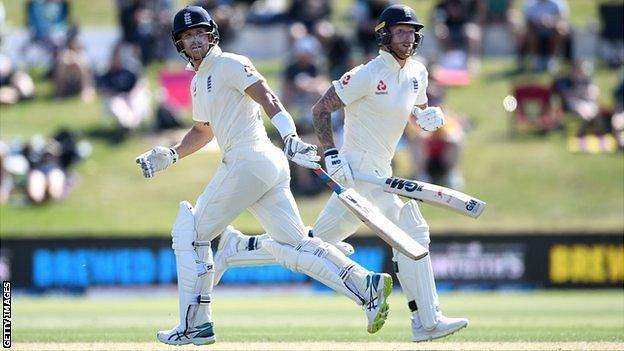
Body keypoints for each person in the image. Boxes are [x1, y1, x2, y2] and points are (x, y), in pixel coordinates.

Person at [135, 6, 393, 346]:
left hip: (249, 159)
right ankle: (365, 286)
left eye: (199, 32)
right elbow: (202, 131)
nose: (194, 40)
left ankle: (194, 325)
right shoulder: (198, 83)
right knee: (295, 245)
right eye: (187, 36)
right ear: (179, 44)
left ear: (211, 33)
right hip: (260, 167)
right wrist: (171, 154)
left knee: (190, 234)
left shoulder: (229, 63)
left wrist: (290, 137)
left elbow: (268, 97)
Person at [215, 4, 469, 342]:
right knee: (411, 230)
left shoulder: (417, 73)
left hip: (381, 172)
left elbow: (412, 108)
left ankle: (238, 247)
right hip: (357, 174)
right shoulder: (366, 74)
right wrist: (332, 154)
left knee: (312, 245)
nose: (408, 38)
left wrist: (425, 118)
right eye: (401, 32)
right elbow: (321, 108)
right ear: (384, 35)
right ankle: (426, 320)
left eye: (412, 32)